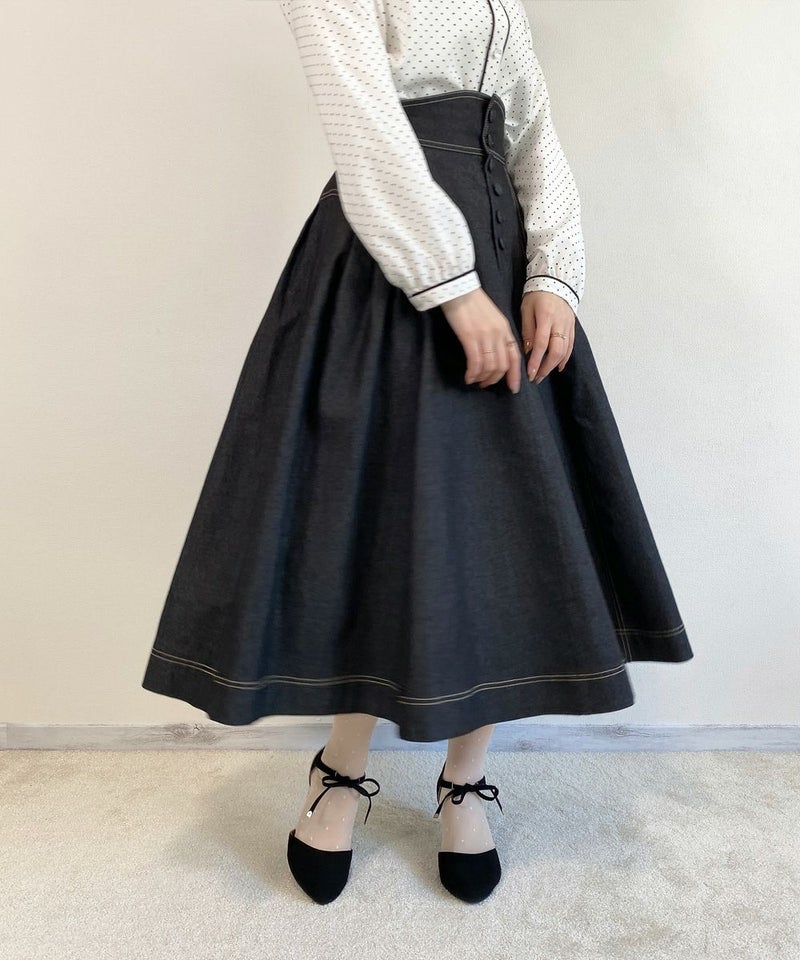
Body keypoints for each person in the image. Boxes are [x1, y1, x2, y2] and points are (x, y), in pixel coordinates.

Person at [141, 0, 694, 905]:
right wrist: (451, 286)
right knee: (375, 527)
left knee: (506, 537)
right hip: (388, 269)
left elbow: (533, 134)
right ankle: (341, 769)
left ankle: (464, 780)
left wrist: (555, 272)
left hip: (505, 263)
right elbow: (364, 126)